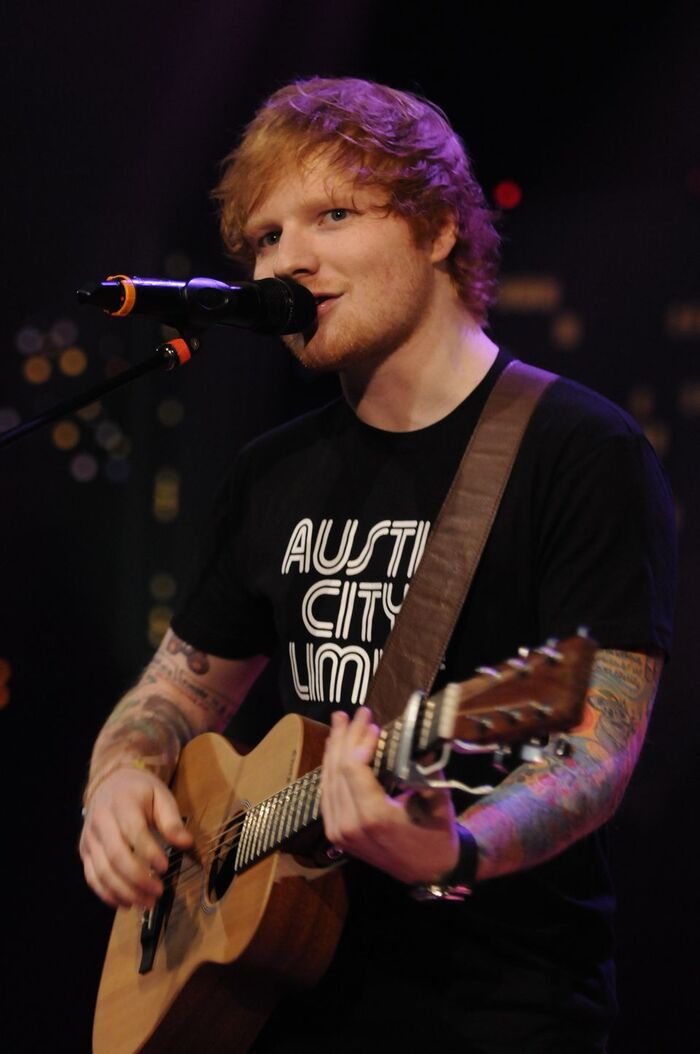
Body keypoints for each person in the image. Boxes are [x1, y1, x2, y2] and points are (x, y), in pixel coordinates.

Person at [79, 77, 676, 1053]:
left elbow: (595, 747)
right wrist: (116, 784)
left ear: (438, 228)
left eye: (332, 214)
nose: (288, 258)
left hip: (494, 1007)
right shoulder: (272, 473)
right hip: (276, 999)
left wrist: (455, 848)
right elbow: (174, 695)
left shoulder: (579, 449)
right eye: (266, 237)